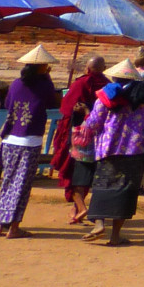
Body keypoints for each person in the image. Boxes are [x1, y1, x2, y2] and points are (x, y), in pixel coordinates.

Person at [79, 62, 144, 247]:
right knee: (126, 191)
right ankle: (115, 235)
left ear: (115, 78)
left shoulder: (105, 96)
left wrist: (85, 114)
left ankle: (99, 224)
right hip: (134, 149)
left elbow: (93, 124)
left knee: (102, 185)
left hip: (108, 149)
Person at [0, 46, 61, 239]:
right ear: (42, 67)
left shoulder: (15, 84)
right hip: (30, 140)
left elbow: (7, 105)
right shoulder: (45, 85)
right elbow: (52, 102)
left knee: (8, 182)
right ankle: (13, 227)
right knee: (22, 185)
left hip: (10, 138)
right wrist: (48, 77)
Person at [52, 55, 107, 225]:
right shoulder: (107, 85)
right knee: (88, 173)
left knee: (74, 171)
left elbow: (66, 110)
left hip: (78, 136)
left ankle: (80, 207)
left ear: (88, 69)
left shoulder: (81, 83)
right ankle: (76, 209)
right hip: (99, 136)